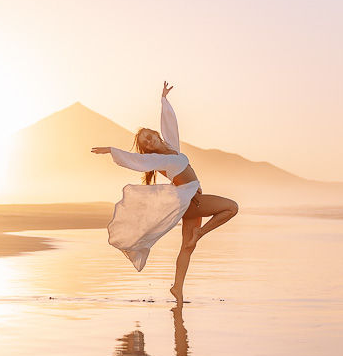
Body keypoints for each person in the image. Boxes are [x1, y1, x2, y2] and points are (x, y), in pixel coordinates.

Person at [91, 82, 238, 303]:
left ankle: (177, 288)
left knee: (187, 247)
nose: (149, 141)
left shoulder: (171, 147)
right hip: (191, 201)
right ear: (147, 149)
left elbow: (170, 125)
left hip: (190, 198)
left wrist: (163, 100)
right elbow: (137, 159)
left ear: (156, 134)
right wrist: (112, 150)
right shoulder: (157, 159)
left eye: (149, 136)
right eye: (145, 143)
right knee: (232, 207)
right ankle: (201, 233)